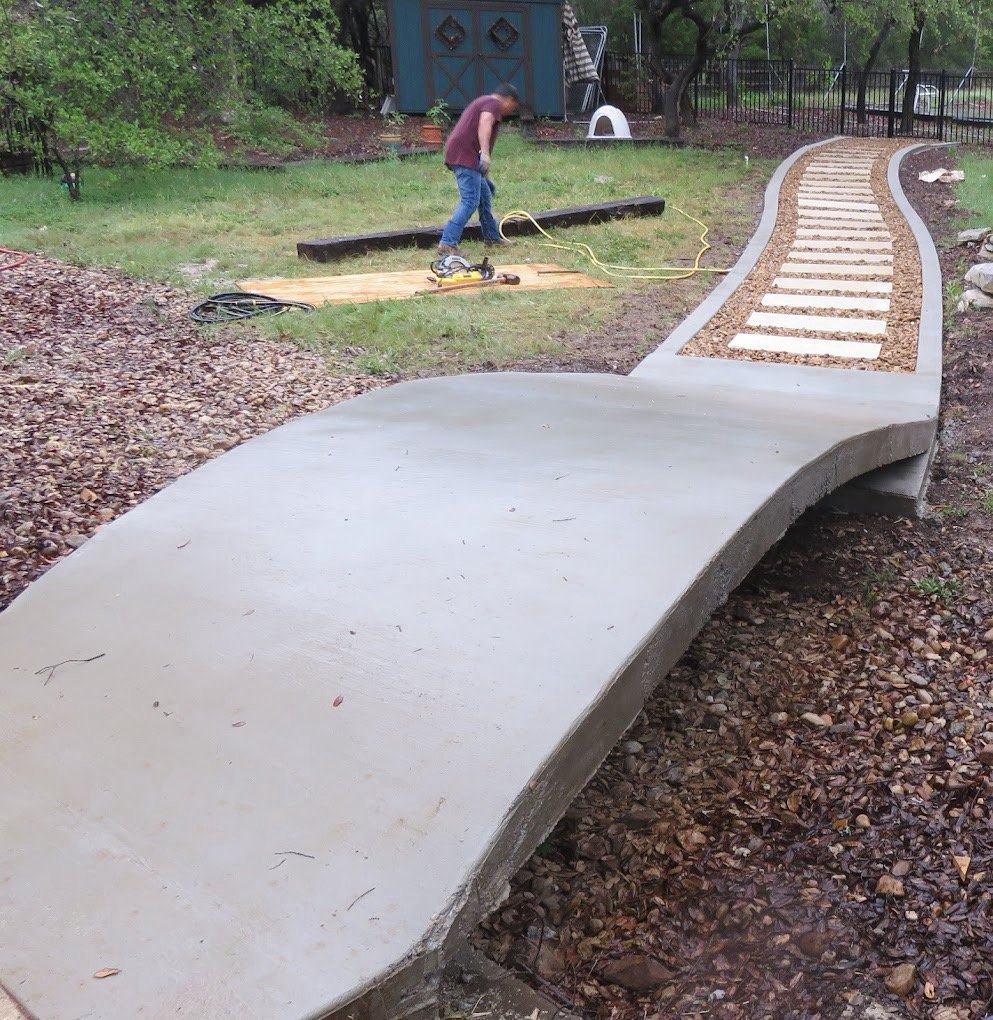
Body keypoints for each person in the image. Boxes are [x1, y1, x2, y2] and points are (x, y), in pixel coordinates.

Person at [437, 84, 520, 256]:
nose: (511, 110)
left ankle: (492, 239)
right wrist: (485, 153)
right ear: (509, 100)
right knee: (470, 201)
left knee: (484, 197)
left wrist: (485, 174)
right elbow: (485, 122)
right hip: (465, 156)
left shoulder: (483, 100)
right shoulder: (493, 103)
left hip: (466, 155)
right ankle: (447, 243)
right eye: (513, 106)